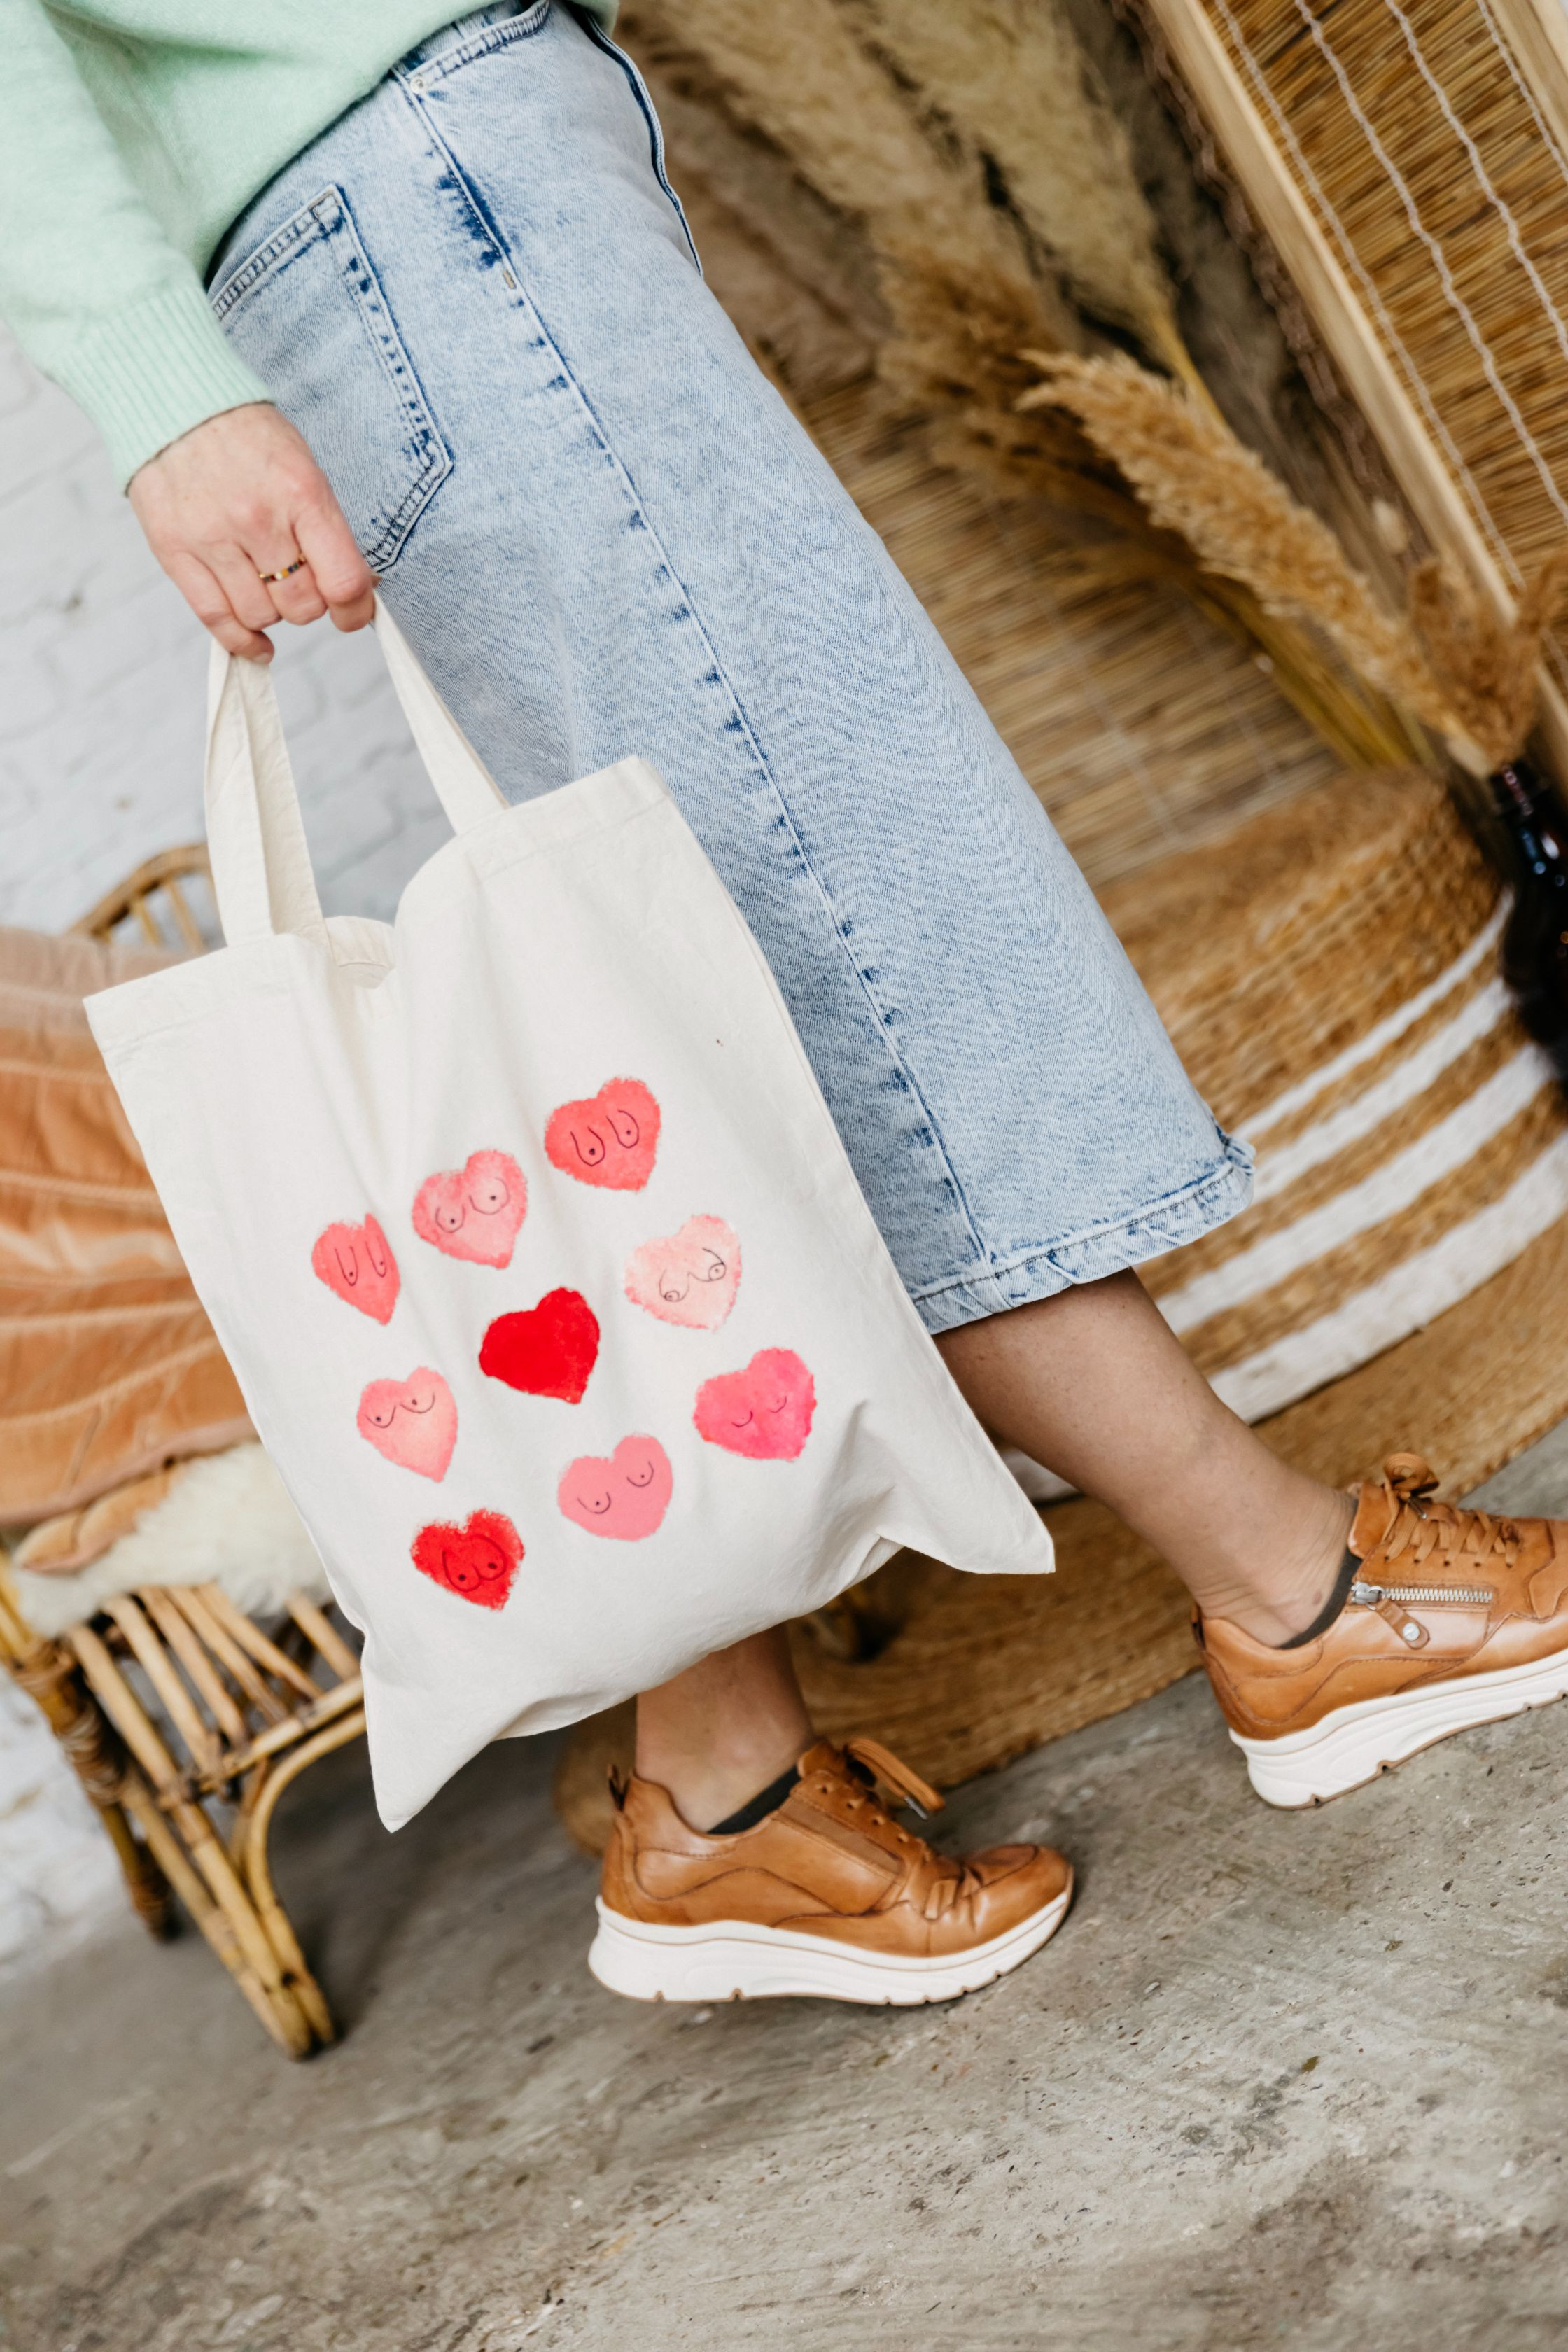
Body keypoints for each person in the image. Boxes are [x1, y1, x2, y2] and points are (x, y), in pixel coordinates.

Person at [11, 0, 1568, 2008]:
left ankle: (721, 1802)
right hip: (406, 188)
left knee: (712, 982)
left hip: (440, 186)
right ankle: (1303, 1593)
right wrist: (156, 387)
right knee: (853, 925)